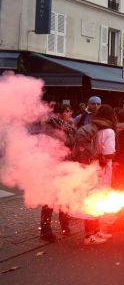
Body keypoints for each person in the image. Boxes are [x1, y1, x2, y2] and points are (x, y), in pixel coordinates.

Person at [39, 103, 75, 241]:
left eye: (70, 110)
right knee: (50, 198)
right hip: (54, 165)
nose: (70, 113)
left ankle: (65, 225)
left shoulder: (68, 126)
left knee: (65, 196)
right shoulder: (52, 128)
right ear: (59, 114)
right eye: (67, 111)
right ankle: (45, 230)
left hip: (67, 164)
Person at [83, 104, 117, 245]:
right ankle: (90, 235)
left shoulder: (93, 128)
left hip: (90, 168)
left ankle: (94, 232)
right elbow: (108, 153)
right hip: (101, 170)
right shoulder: (109, 131)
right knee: (94, 201)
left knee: (92, 199)